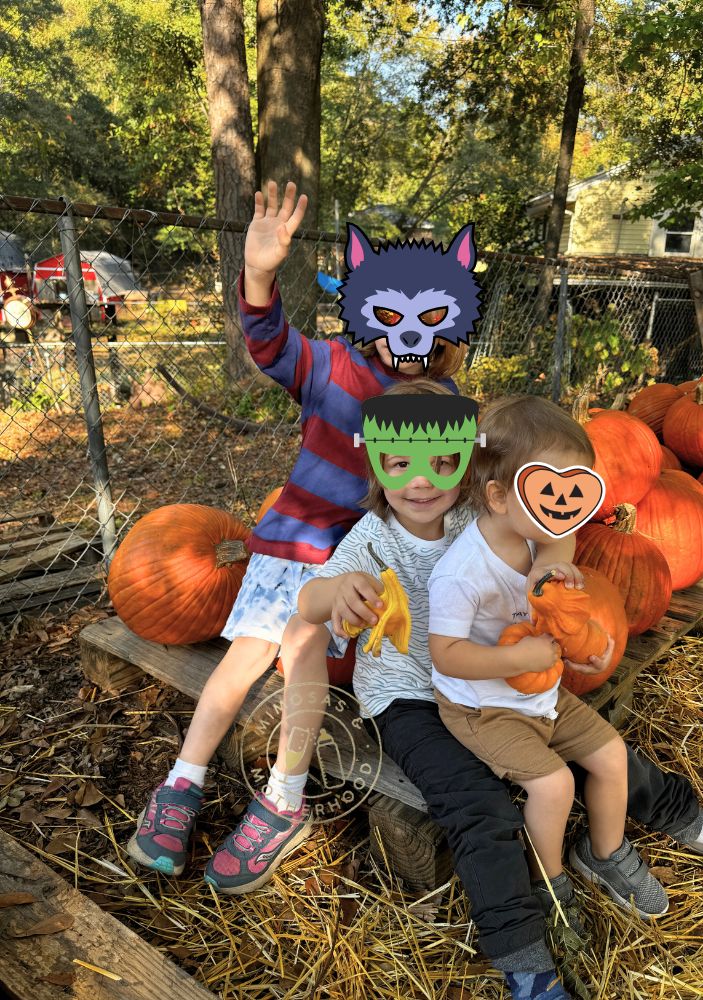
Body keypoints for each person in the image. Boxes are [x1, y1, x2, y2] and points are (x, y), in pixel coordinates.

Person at [295, 382, 703, 1000]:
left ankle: (679, 816)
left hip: (504, 680)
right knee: (478, 805)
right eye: (401, 463)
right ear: (376, 462)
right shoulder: (370, 541)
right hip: (410, 698)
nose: (423, 481)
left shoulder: (477, 513)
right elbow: (310, 599)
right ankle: (526, 957)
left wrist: (547, 565)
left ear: (472, 465)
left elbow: (553, 526)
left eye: (444, 462)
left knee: (599, 747)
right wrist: (339, 592)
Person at [126, 181, 468, 891]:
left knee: (300, 647)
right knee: (243, 657)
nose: (410, 335)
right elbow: (270, 342)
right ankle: (181, 784)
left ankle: (282, 802)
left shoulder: (444, 404)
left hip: (359, 570)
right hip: (290, 544)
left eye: (433, 317)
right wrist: (258, 274)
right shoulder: (332, 367)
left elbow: (461, 485)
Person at [428, 395, 668, 927]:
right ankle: (550, 879)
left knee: (611, 757)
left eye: (575, 492)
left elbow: (564, 544)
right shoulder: (461, 573)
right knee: (554, 783)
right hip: (481, 707)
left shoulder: (540, 533)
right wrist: (518, 656)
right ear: (496, 496)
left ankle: (602, 853)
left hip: (541, 692)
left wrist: (576, 627)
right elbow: (444, 656)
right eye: (550, 493)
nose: (565, 510)